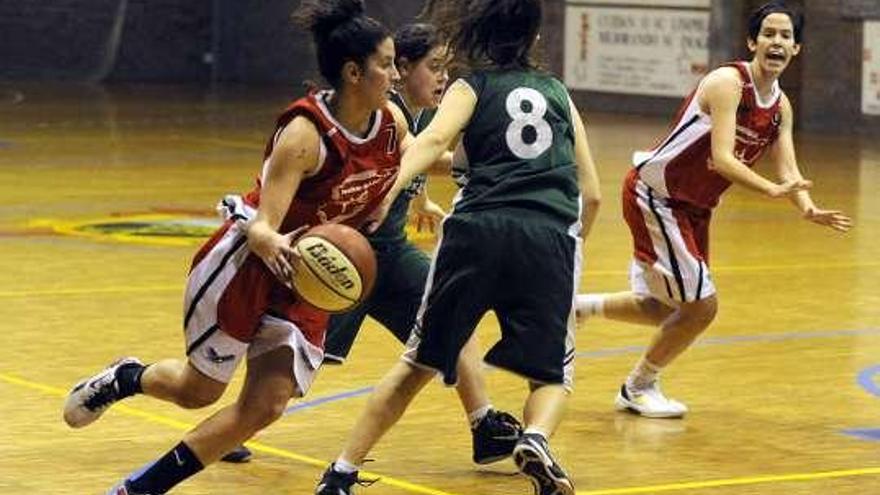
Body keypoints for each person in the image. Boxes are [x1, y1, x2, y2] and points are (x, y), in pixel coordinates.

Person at [62, 1, 418, 493]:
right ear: (354, 72)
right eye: (386, 64)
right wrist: (274, 239)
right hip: (251, 265)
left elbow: (408, 164)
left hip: (306, 281)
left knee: (265, 406)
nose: (396, 74)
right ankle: (127, 377)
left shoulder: (392, 123)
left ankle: (138, 489)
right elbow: (263, 226)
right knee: (197, 391)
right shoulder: (304, 134)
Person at [315, 1, 601, 494]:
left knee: (417, 363)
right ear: (535, 39)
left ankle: (341, 472)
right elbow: (592, 194)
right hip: (548, 236)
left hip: (477, 232)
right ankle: (534, 437)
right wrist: (568, 248)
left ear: (481, 37)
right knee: (552, 375)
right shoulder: (557, 92)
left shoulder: (472, 86)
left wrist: (390, 190)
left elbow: (431, 142)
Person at [575, 0, 852, 419]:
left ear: (797, 49)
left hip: (694, 208)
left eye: (786, 36)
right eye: (769, 34)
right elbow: (724, 158)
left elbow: (789, 167)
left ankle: (579, 308)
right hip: (658, 196)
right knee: (702, 307)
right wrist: (771, 190)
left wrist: (807, 206)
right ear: (751, 41)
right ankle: (638, 386)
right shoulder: (728, 83)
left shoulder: (780, 108)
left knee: (668, 308)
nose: (776, 42)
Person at [321, 21, 523, 466]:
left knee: (455, 314)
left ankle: (483, 423)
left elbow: (409, 157)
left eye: (447, 69)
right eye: (434, 67)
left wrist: (423, 200)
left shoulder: (415, 114)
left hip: (390, 254)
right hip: (349, 253)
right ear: (403, 68)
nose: (443, 78)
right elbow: (416, 152)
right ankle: (241, 418)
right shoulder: (384, 108)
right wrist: (500, 159)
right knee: (295, 361)